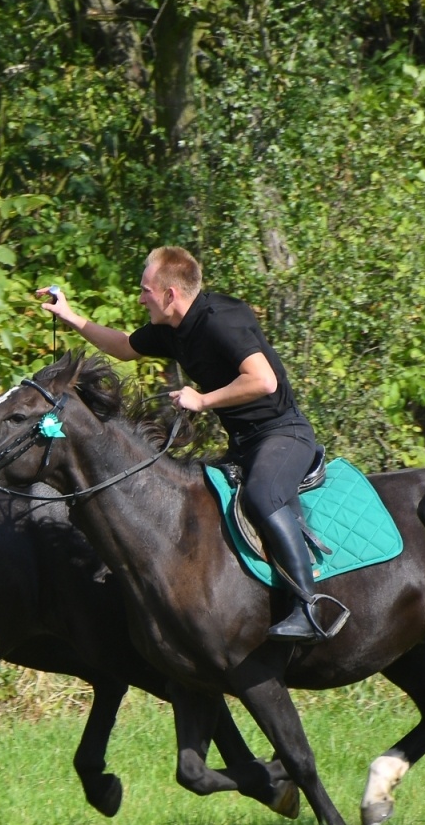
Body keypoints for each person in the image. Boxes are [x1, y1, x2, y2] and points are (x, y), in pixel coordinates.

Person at [39, 245, 340, 644]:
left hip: (284, 434)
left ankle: (309, 605)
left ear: (170, 295)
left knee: (264, 495)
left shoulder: (221, 321)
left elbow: (263, 380)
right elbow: (124, 347)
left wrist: (202, 399)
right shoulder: (173, 330)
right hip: (244, 443)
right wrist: (70, 316)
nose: (140, 297)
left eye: (146, 289)